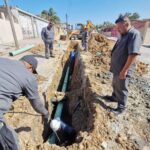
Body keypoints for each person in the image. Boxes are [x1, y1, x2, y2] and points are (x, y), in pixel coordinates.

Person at [0, 55, 49, 150]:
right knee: (11, 142)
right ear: (30, 66)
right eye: (32, 71)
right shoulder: (29, 78)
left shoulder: (3, 60)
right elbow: (37, 104)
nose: (32, 73)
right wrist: (46, 113)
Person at [103, 15, 142, 114]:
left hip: (123, 69)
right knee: (115, 84)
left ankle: (121, 108)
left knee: (122, 88)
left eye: (119, 27)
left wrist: (124, 71)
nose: (118, 29)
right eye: (117, 27)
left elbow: (133, 54)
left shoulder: (134, 34)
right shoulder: (123, 34)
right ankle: (114, 97)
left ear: (127, 24)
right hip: (117, 67)